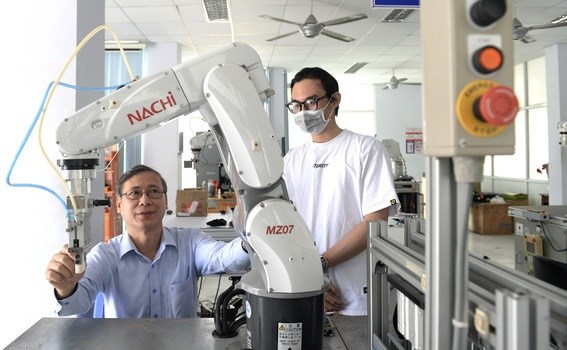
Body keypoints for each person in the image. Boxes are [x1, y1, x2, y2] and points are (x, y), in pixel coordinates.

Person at [45, 164, 249, 318]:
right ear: (118, 204)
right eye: (134, 193)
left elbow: (225, 258)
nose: (145, 200)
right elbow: (76, 305)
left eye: (154, 191)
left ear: (166, 200)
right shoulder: (105, 256)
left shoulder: (190, 242)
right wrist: (65, 288)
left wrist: (251, 238)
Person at [282, 67, 400, 316]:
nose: (304, 112)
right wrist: (308, 277)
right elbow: (285, 227)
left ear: (334, 100)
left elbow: (375, 223)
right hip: (305, 287)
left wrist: (319, 265)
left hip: (352, 295)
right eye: (296, 105)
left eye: (311, 102)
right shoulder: (292, 160)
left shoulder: (365, 149)